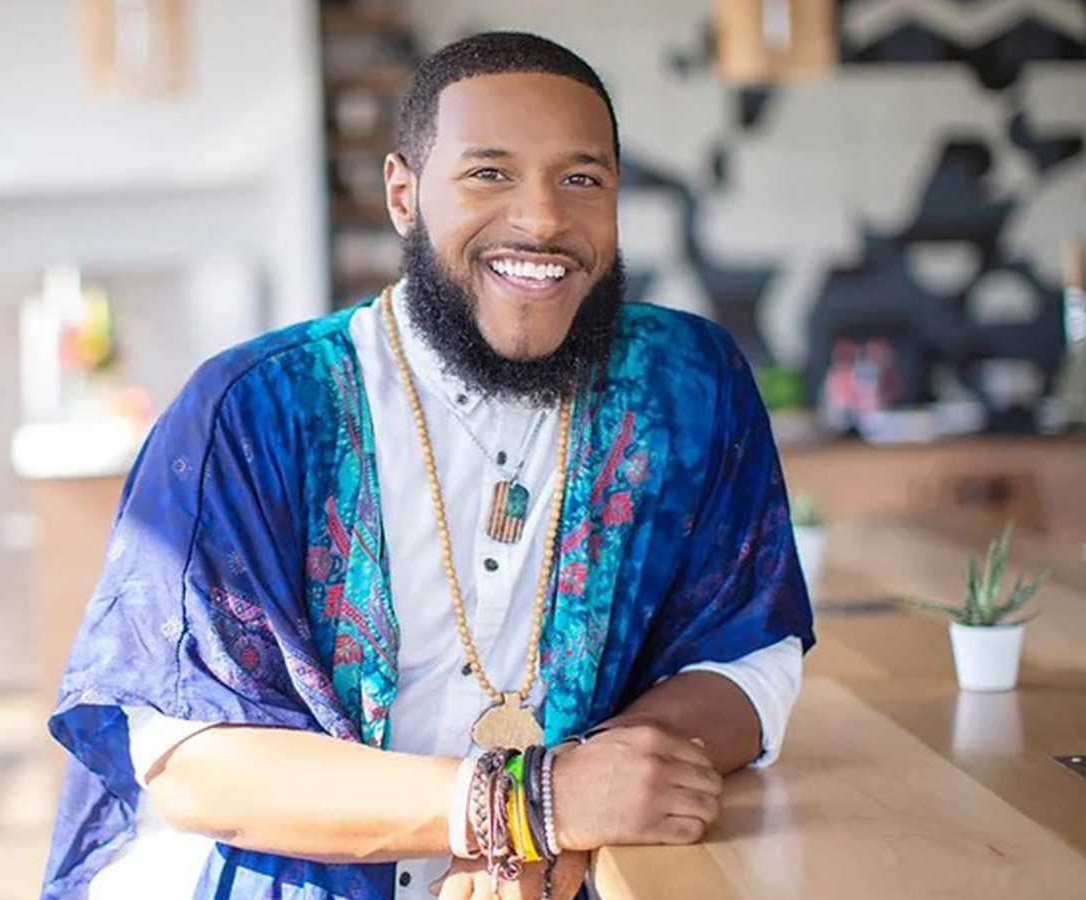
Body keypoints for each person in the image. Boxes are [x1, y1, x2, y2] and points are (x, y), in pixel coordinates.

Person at [41, 31, 814, 900]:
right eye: (490, 173)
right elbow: (190, 755)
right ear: (404, 195)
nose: (543, 219)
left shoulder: (689, 385)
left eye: (582, 179)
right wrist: (523, 806)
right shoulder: (257, 407)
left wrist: (596, 794)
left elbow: (749, 654)